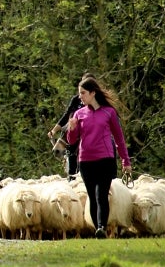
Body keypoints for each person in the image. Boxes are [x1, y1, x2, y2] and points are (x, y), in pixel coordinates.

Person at [64, 76, 132, 239]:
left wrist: (125, 161)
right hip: (86, 161)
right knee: (92, 196)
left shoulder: (109, 112)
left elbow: (119, 138)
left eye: (83, 93)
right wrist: (71, 129)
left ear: (93, 93)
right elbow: (71, 141)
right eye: (79, 93)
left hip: (105, 160)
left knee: (102, 194)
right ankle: (98, 229)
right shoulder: (79, 114)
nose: (80, 96)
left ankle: (101, 226)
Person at [48, 72, 97, 179]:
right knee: (71, 158)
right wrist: (54, 130)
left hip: (90, 135)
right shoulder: (76, 100)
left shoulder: (99, 103)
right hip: (75, 133)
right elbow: (66, 115)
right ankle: (71, 176)